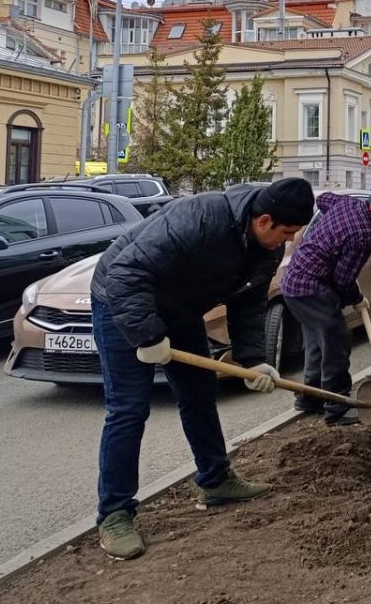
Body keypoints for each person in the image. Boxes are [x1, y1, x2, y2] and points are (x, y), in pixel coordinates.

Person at [89, 178, 315, 560]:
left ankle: (216, 479)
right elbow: (127, 271)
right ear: (264, 221)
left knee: (198, 392)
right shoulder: (197, 218)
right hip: (120, 300)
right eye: (287, 232)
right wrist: (147, 336)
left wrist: (253, 359)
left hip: (179, 308)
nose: (289, 241)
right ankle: (114, 514)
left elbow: (249, 302)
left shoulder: (266, 247)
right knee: (129, 409)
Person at [280, 175, 371, 426]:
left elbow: (324, 199)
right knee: (337, 339)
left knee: (318, 340)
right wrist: (357, 298)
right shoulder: (363, 235)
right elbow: (342, 280)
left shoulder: (347, 204)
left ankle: (311, 398)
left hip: (292, 282)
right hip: (312, 286)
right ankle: (337, 407)